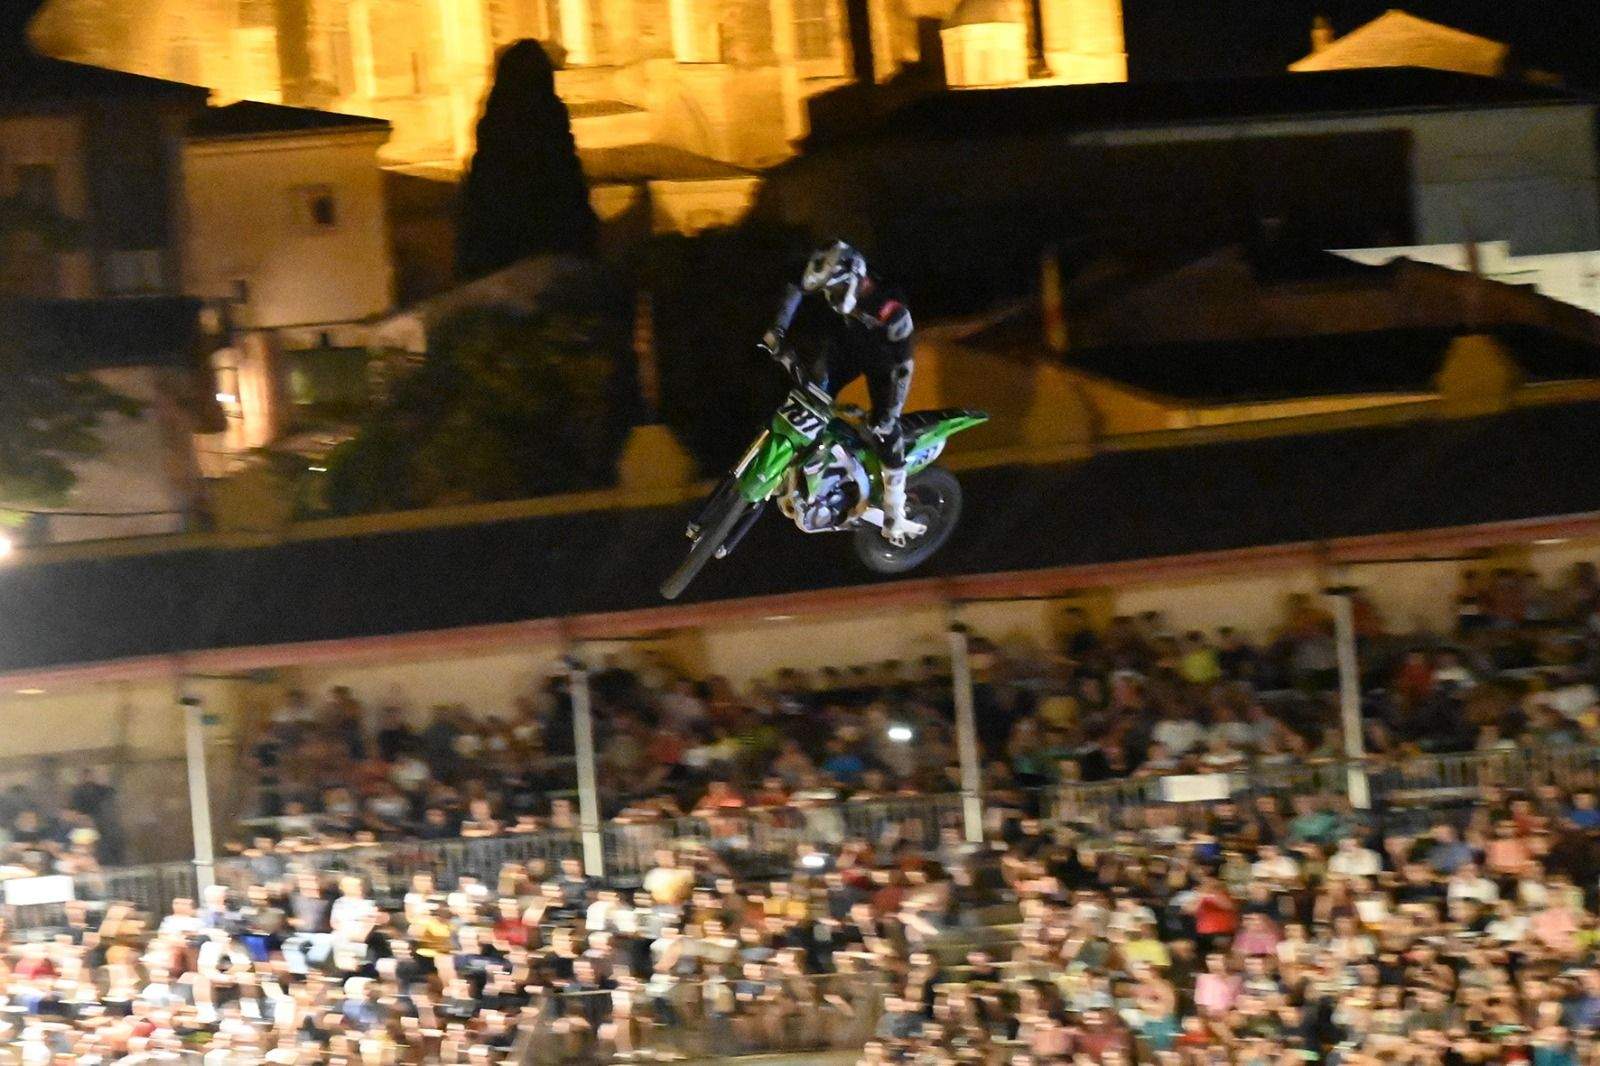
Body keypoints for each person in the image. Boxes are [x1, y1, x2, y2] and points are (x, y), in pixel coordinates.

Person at [760, 240, 921, 544]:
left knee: (886, 431)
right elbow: (797, 283)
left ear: (853, 280)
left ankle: (895, 511)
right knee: (810, 392)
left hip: (886, 364)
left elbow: (903, 367)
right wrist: (778, 328)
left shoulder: (890, 311)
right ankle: (804, 463)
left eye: (833, 291)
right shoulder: (836, 270)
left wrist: (890, 411)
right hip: (851, 346)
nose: (829, 297)